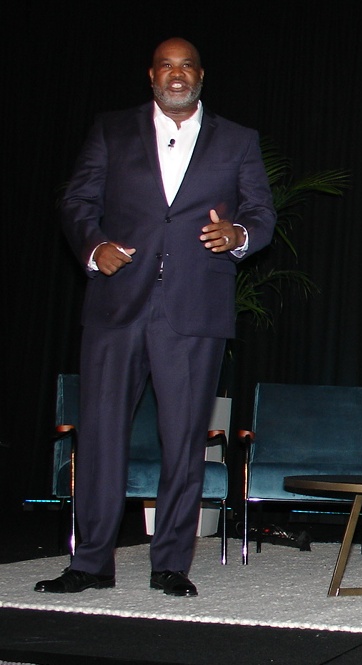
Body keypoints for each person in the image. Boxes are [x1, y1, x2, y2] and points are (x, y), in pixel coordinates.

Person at [37, 37, 276, 597]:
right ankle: (91, 563)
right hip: (116, 305)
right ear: (151, 75)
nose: (176, 74)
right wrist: (96, 249)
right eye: (166, 66)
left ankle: (170, 563)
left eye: (187, 65)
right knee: (98, 437)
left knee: (183, 441)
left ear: (201, 74)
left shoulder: (238, 140)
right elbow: (77, 201)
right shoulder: (111, 130)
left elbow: (261, 212)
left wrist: (238, 234)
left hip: (193, 312)